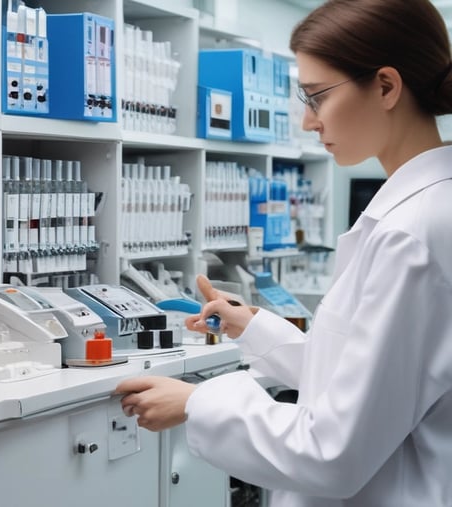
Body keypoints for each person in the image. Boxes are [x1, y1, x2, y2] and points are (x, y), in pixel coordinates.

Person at [115, 0, 452, 505]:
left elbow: (332, 453)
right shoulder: (419, 212)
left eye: (316, 97)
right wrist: (254, 328)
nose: (307, 122)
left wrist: (199, 402)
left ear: (386, 86)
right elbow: (373, 382)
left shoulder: (411, 234)